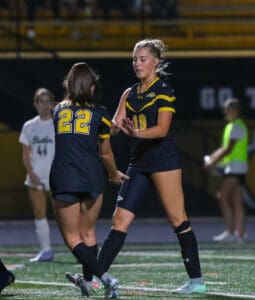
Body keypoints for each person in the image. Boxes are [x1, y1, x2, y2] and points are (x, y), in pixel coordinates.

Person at [97, 38, 207, 295]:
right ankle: (95, 276)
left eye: (142, 59)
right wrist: (97, 122)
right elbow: (114, 126)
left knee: (178, 219)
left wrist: (136, 134)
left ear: (156, 61)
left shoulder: (164, 90)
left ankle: (197, 281)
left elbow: (162, 129)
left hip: (163, 160)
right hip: (139, 162)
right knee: (119, 220)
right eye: (134, 59)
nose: (137, 63)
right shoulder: (129, 93)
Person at [49, 62, 127, 298]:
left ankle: (106, 278)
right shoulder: (101, 115)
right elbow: (105, 153)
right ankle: (91, 284)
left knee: (73, 239)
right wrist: (114, 174)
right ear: (92, 87)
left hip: (64, 177)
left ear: (69, 85)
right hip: (92, 176)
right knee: (89, 233)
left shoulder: (57, 111)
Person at [204, 98, 248, 243]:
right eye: (226, 109)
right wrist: (213, 159)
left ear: (236, 111)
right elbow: (225, 148)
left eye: (229, 109)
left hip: (236, 168)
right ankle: (240, 234)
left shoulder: (236, 126)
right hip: (237, 168)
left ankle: (231, 232)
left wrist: (212, 162)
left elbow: (227, 149)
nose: (226, 112)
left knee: (222, 197)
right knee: (236, 201)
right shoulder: (232, 126)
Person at [19, 88, 55, 262]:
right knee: (39, 213)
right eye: (41, 101)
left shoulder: (58, 123)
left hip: (56, 175)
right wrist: (31, 173)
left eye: (48, 101)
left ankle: (78, 248)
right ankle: (46, 250)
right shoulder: (29, 126)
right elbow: (26, 153)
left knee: (65, 215)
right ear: (35, 104)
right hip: (37, 176)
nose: (45, 105)